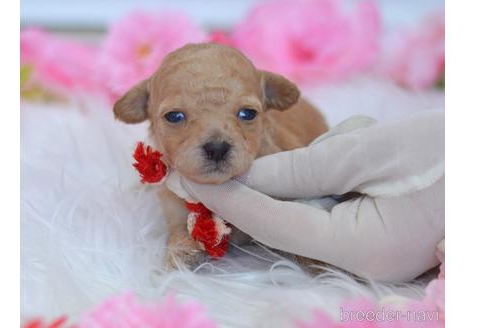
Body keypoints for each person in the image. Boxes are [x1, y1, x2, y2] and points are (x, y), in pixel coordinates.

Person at [180, 110, 444, 282]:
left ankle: (198, 184)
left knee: (303, 201)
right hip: (436, 140)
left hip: (397, 238)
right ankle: (199, 183)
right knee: (309, 169)